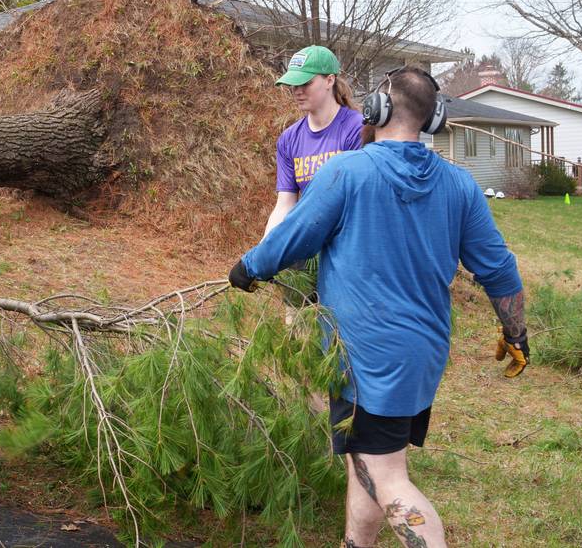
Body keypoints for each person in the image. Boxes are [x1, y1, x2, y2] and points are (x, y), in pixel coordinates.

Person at [227, 67, 530, 548]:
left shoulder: (347, 172)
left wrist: (247, 268)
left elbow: (291, 239)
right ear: (435, 120)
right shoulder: (460, 185)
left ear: (375, 110)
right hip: (422, 356)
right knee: (367, 458)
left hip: (364, 357)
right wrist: (516, 334)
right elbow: (499, 270)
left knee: (385, 475)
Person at [266, 47, 365, 317]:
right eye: (293, 84)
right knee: (298, 331)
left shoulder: (357, 129)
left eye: (306, 82)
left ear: (330, 80)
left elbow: (359, 200)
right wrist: (268, 249)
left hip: (347, 251)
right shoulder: (289, 139)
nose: (297, 90)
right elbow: (285, 203)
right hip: (304, 250)